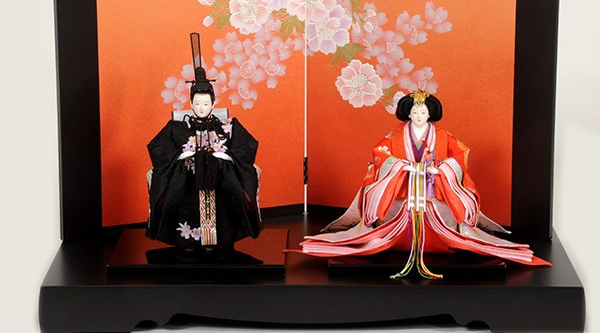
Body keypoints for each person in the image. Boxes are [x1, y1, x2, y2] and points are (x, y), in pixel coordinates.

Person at [299, 89, 550, 278]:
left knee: (445, 217)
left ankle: (439, 238)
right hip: (403, 192)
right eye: (414, 112)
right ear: (408, 113)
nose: (419, 116)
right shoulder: (394, 136)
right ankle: (395, 239)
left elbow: (459, 157)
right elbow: (380, 155)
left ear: (430, 114)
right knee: (391, 213)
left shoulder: (444, 136)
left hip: (433, 192)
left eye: (423, 112)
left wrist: (442, 169)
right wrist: (399, 166)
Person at [146, 33, 261, 256]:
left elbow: (247, 147)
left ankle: (221, 239)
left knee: (228, 194)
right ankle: (187, 239)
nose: (201, 107)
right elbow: (158, 148)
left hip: (220, 182)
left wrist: (227, 157)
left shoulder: (227, 126)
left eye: (206, 103)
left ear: (213, 103)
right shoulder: (178, 128)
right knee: (182, 198)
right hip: (188, 184)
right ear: (190, 103)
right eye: (197, 103)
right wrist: (180, 157)